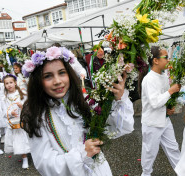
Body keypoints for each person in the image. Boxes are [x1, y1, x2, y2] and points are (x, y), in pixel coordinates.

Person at [20, 46, 134, 175]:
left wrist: (119, 99)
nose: (57, 81)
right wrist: (81, 155)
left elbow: (117, 128)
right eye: (48, 76)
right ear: (38, 81)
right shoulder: (37, 115)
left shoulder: (83, 101)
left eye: (62, 73)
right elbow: (44, 164)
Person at [138, 46, 181, 176]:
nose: (168, 60)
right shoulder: (149, 79)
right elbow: (155, 102)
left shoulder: (163, 76)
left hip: (164, 120)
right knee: (150, 152)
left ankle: (182, 172)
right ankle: (146, 174)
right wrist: (171, 91)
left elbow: (163, 100)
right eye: (166, 57)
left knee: (173, 149)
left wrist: (168, 108)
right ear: (155, 61)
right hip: (152, 123)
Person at [1, 74, 30, 169]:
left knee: (29, 139)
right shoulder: (4, 98)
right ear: (4, 85)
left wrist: (22, 107)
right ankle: (24, 157)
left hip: (25, 121)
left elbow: (29, 108)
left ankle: (34, 152)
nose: (9, 85)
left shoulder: (22, 95)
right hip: (14, 124)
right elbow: (3, 112)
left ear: (15, 83)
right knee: (20, 141)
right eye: (6, 83)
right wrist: (10, 112)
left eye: (11, 82)